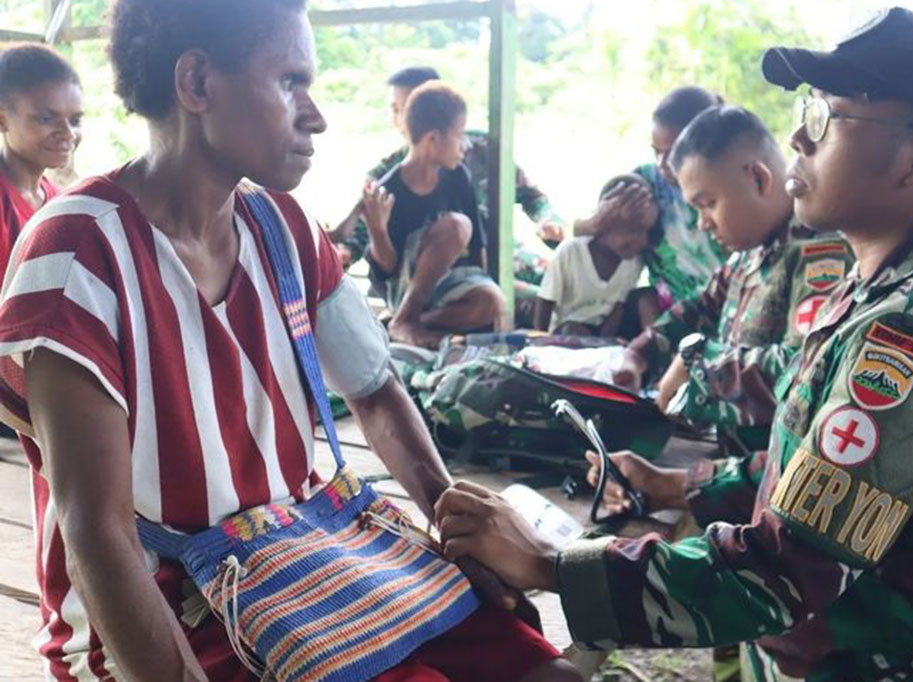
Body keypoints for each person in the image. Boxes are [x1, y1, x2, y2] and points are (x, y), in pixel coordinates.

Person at [435, 8, 913, 681]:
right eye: (808, 108)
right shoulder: (885, 292)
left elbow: (784, 566)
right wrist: (678, 483)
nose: (798, 136)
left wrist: (547, 563)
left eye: (830, 116)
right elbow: (818, 477)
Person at [0, 2, 582, 681]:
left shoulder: (283, 228)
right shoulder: (78, 255)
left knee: (548, 673)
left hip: (304, 554)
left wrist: (461, 533)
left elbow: (377, 394)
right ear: (196, 85)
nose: (316, 114)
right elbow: (96, 537)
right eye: (291, 83)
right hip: (172, 603)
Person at [620, 105, 853, 458]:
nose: (703, 223)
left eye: (708, 204)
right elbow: (700, 307)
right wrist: (637, 354)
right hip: (734, 463)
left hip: (775, 477)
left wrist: (698, 373)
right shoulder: (750, 252)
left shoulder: (819, 253)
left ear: (758, 179)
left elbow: (805, 370)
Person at [333, 66, 565, 325]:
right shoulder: (386, 177)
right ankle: (406, 323)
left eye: (407, 106)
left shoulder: (479, 149)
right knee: (532, 304)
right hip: (429, 282)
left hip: (499, 259)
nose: (400, 118)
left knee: (563, 289)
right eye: (394, 109)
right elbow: (363, 237)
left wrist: (548, 221)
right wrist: (341, 253)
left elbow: (530, 196)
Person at [363, 82, 507, 348]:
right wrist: (378, 231)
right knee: (457, 226)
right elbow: (387, 270)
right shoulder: (389, 190)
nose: (464, 145)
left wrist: (483, 288)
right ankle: (405, 316)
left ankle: (404, 324)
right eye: (459, 135)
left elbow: (477, 246)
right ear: (432, 139)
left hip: (450, 284)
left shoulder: (457, 175)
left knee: (494, 302)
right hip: (406, 289)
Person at [575, 87, 729, 318]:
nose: (662, 163)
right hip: (671, 317)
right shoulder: (645, 185)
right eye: (656, 152)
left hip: (728, 310)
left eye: (673, 152)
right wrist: (597, 221)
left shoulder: (729, 185)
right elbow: (586, 235)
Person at [534, 174, 656, 337]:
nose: (641, 241)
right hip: (567, 332)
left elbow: (618, 309)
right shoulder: (571, 251)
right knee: (573, 330)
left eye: (646, 231)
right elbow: (545, 302)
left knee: (647, 298)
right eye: (632, 230)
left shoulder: (633, 260)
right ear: (603, 223)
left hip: (604, 332)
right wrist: (538, 342)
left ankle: (658, 348)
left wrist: (604, 345)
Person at [0, 43, 83, 282]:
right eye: (47, 118)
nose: (67, 133)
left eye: (75, 120)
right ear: (3, 120)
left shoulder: (54, 197)